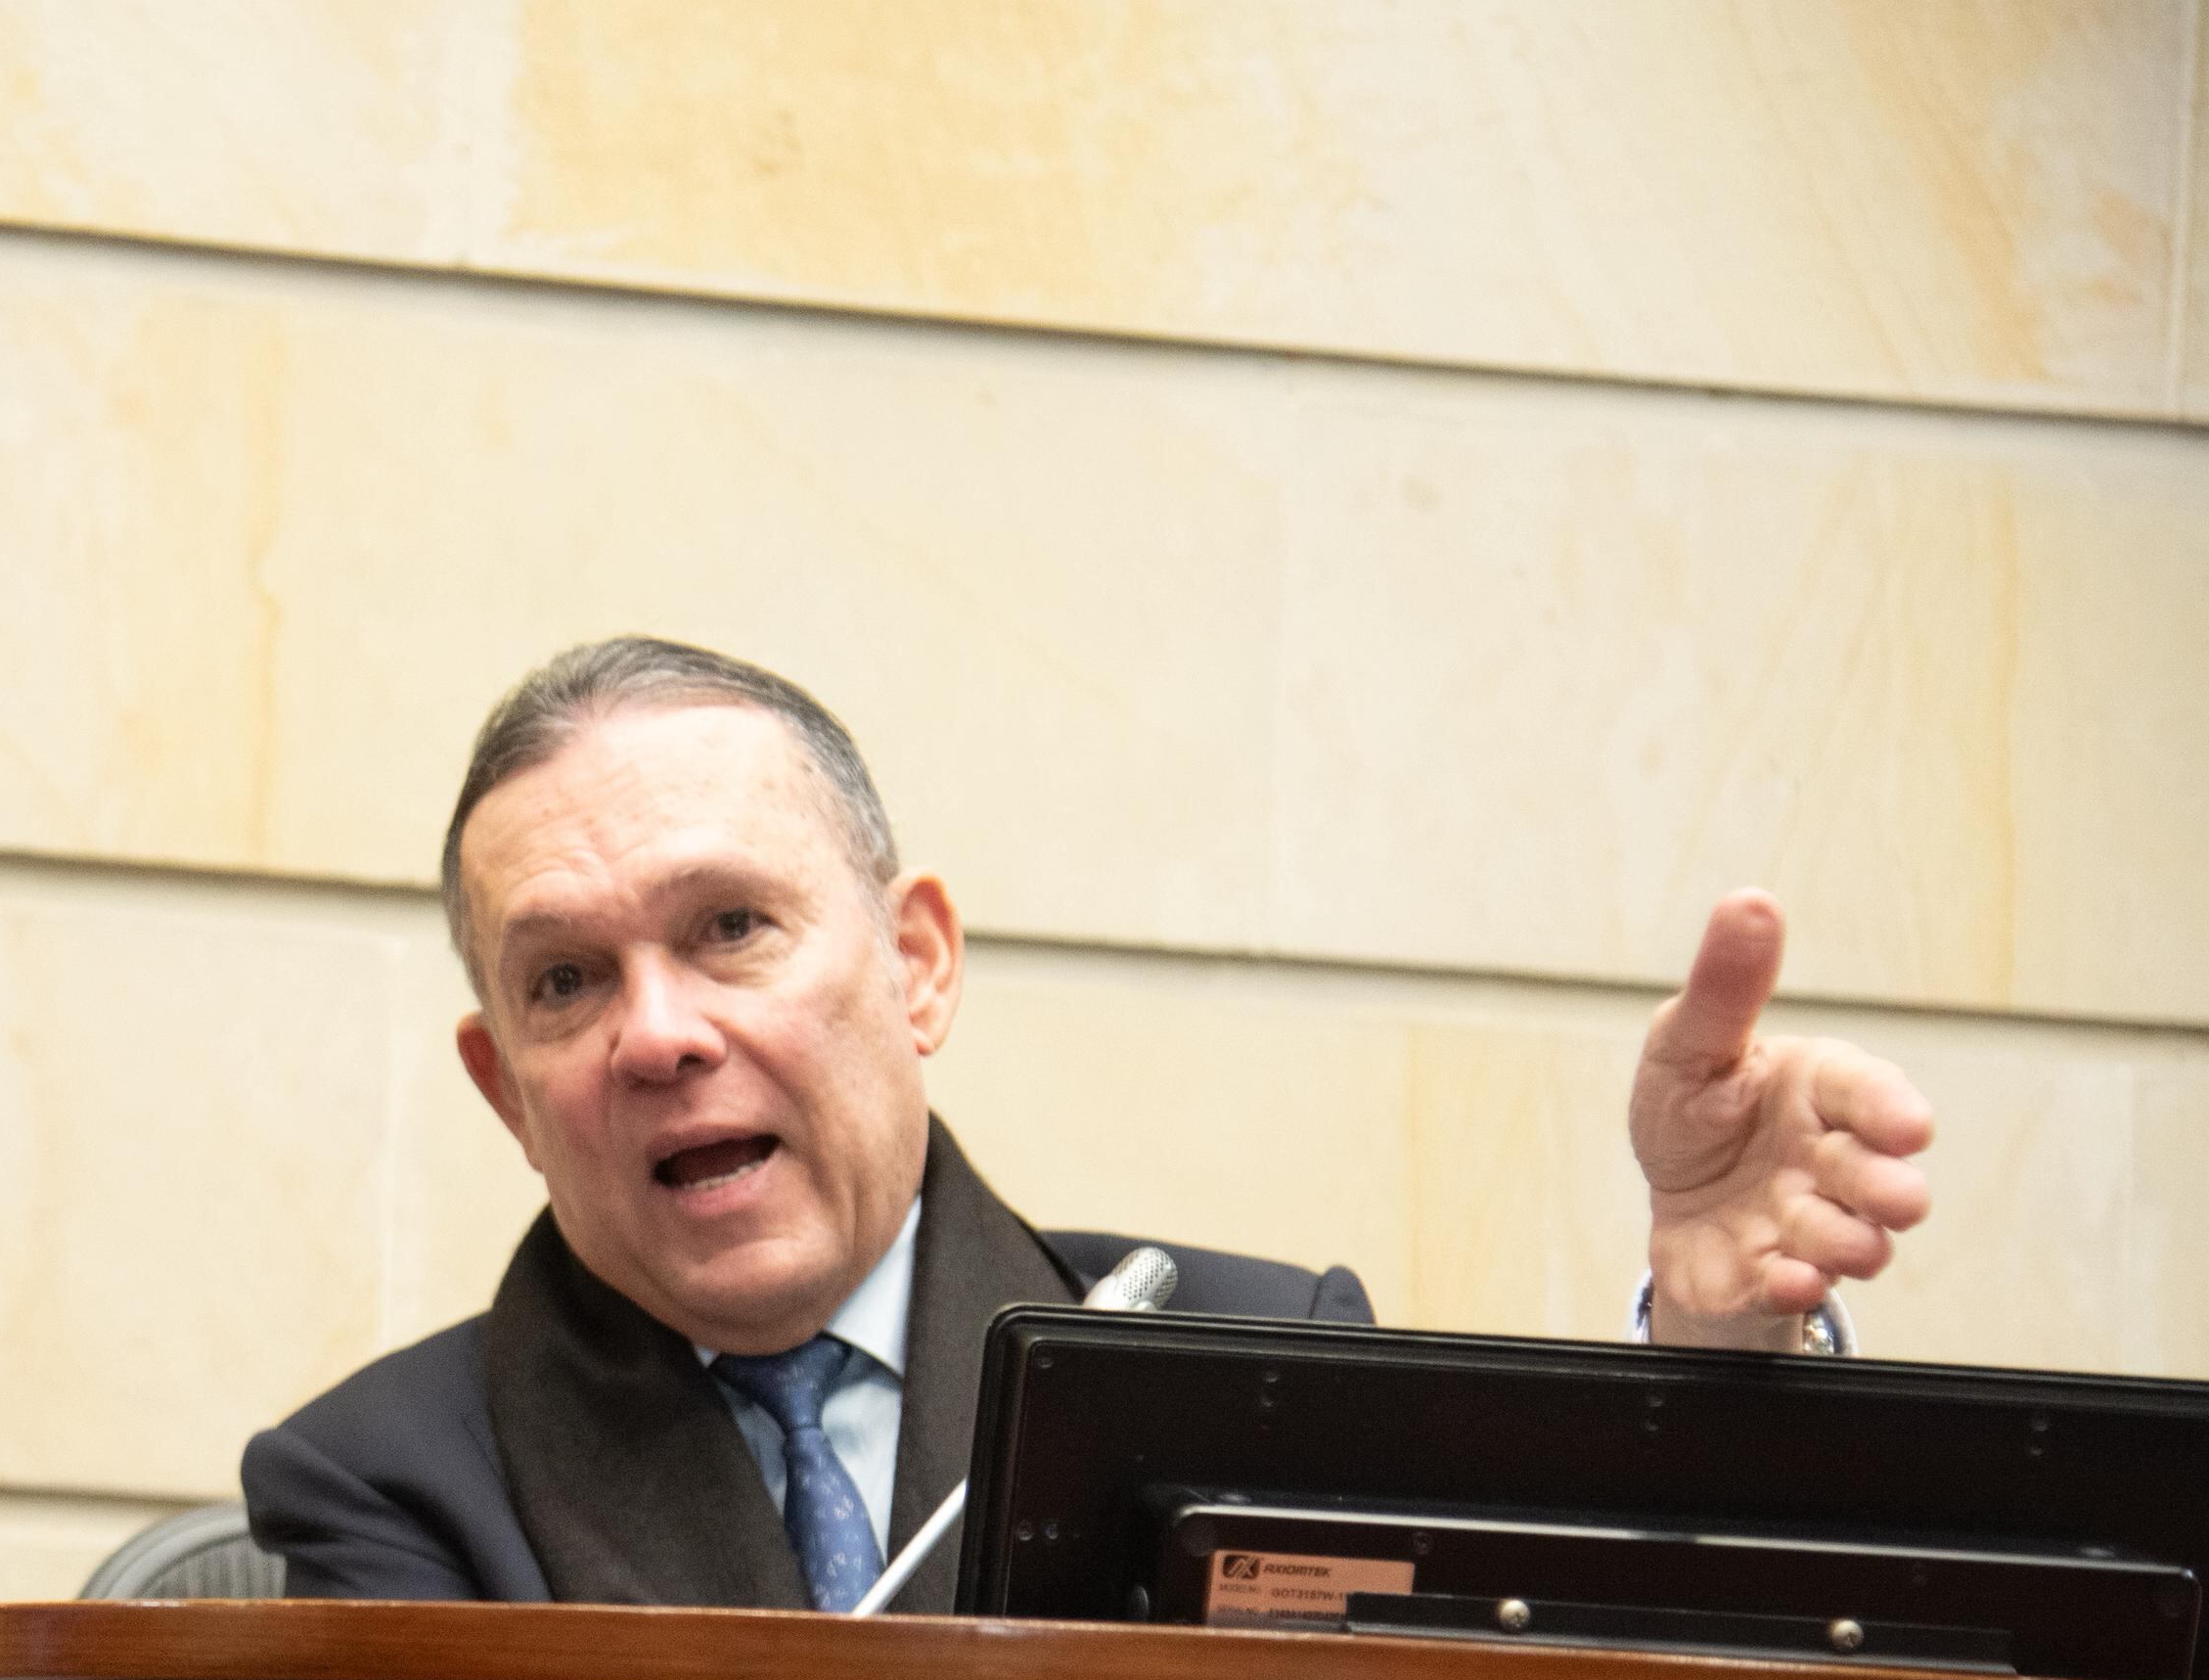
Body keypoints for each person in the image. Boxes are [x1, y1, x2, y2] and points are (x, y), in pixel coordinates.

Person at [243, 638, 1936, 1608]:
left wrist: (1720, 1351)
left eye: (730, 928)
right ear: (506, 1091)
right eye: (565, 981)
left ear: (916, 967)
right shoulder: (388, 1482)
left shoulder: (1256, 1363)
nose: (661, 1033)